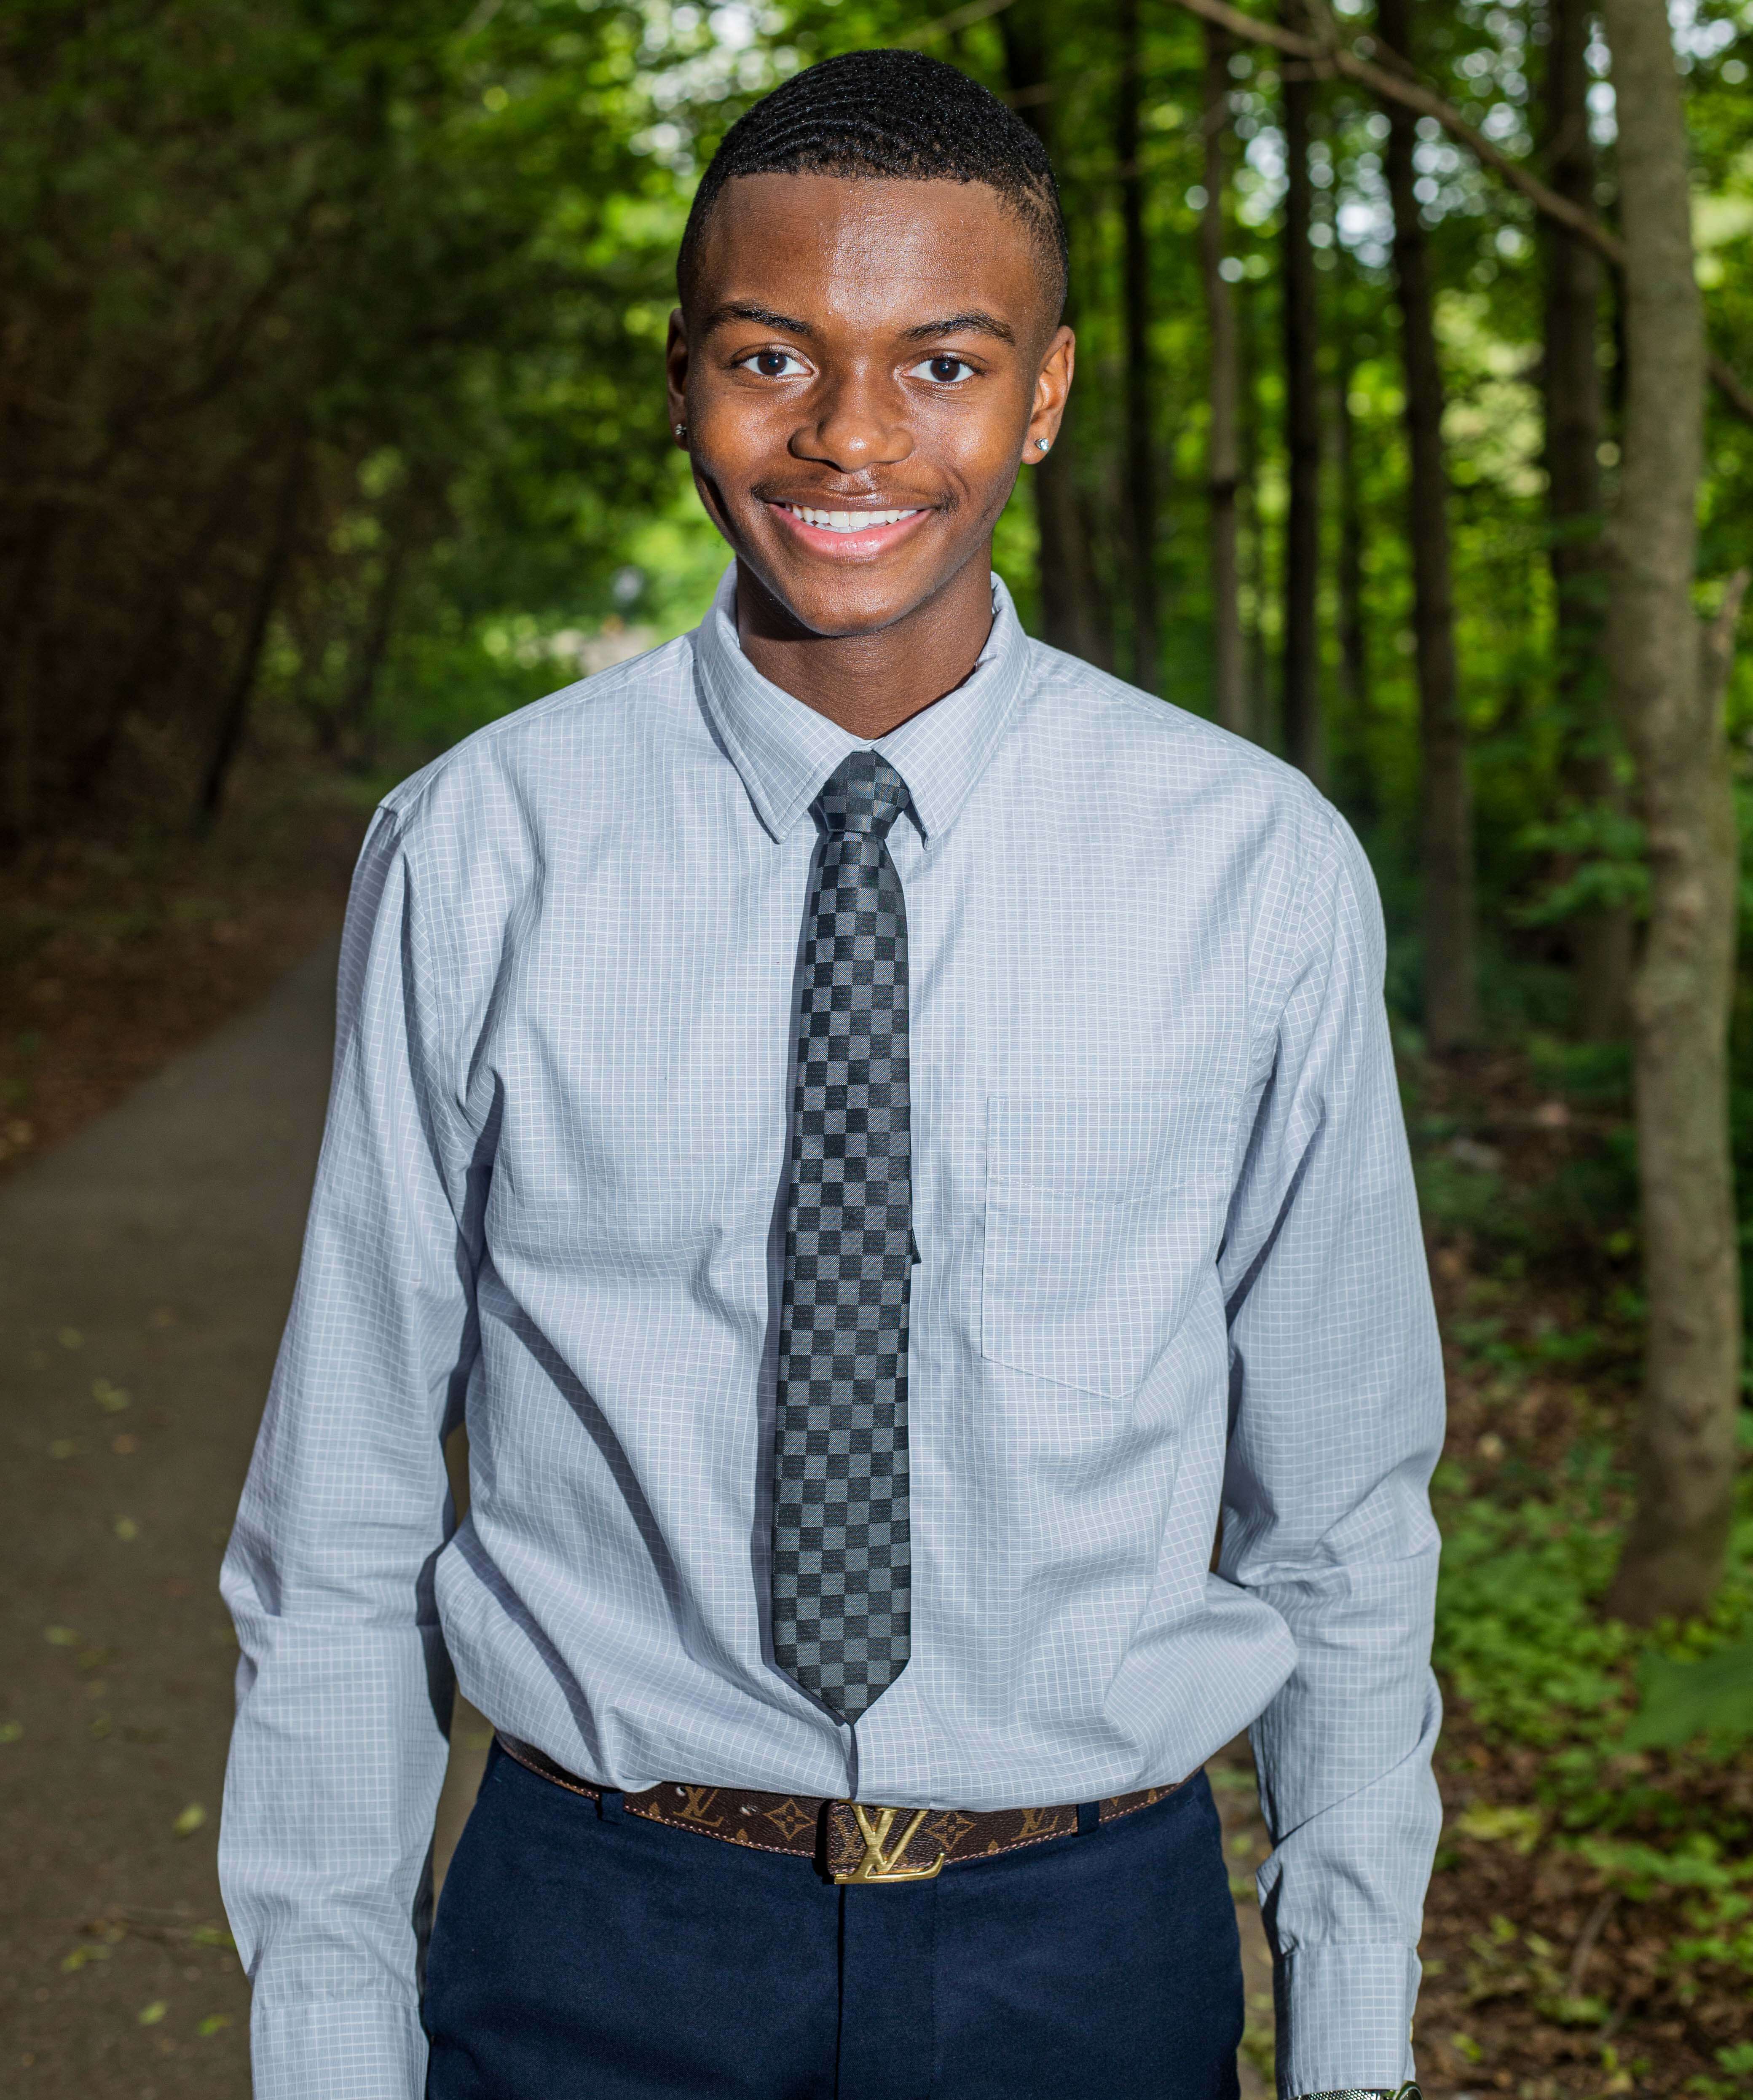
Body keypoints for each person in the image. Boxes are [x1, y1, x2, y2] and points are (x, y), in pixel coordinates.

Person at [218, 46, 1442, 2100]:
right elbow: (337, 1523)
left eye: (944, 363)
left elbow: (1337, 1518)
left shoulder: (1253, 869)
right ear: (682, 371)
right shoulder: (478, 850)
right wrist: (333, 2051)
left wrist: (1352, 2044)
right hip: (592, 1935)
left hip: (1091, 1952)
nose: (850, 436)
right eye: (774, 356)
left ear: (1042, 394)